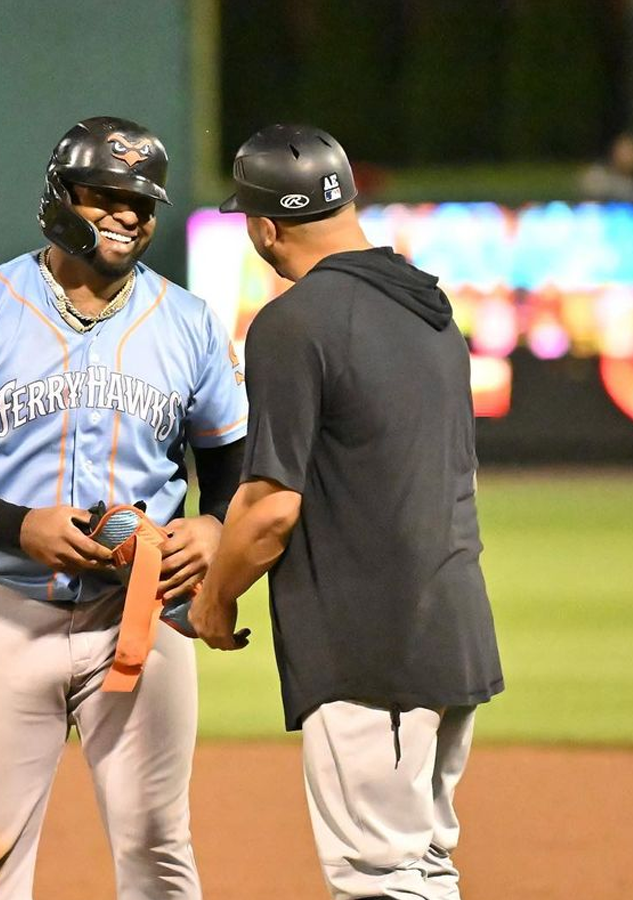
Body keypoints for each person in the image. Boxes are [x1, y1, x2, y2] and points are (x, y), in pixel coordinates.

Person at [0, 115, 247, 899]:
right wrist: (14, 525)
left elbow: (230, 460)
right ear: (58, 196)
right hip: (0, 616)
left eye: (141, 201)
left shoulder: (187, 321)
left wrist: (213, 526)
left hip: (140, 616)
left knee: (159, 849)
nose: (125, 214)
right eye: (104, 194)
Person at [190, 124, 503, 900]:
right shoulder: (429, 309)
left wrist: (215, 595)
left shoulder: (295, 322)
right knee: (423, 866)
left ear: (265, 228)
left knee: (380, 880)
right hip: (451, 627)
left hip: (371, 648)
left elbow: (267, 510)